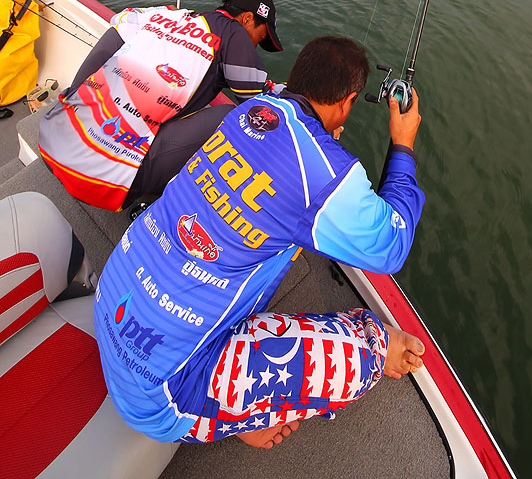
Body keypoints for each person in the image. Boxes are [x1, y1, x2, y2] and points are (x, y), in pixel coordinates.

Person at [93, 36, 425, 450]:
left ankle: (238, 413)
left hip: (111, 303)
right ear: (349, 101)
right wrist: (403, 141)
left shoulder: (250, 111)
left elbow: (284, 158)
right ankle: (377, 353)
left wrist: (322, 143)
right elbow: (390, 246)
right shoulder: (325, 176)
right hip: (161, 393)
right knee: (360, 349)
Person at [39, 0, 282, 212]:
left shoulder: (168, 15)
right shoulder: (234, 34)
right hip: (100, 182)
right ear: (247, 19)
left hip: (51, 141)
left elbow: (119, 23)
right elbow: (256, 101)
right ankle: (156, 196)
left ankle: (71, 110)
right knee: (230, 114)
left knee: (118, 38)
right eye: (259, 39)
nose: (255, 47)